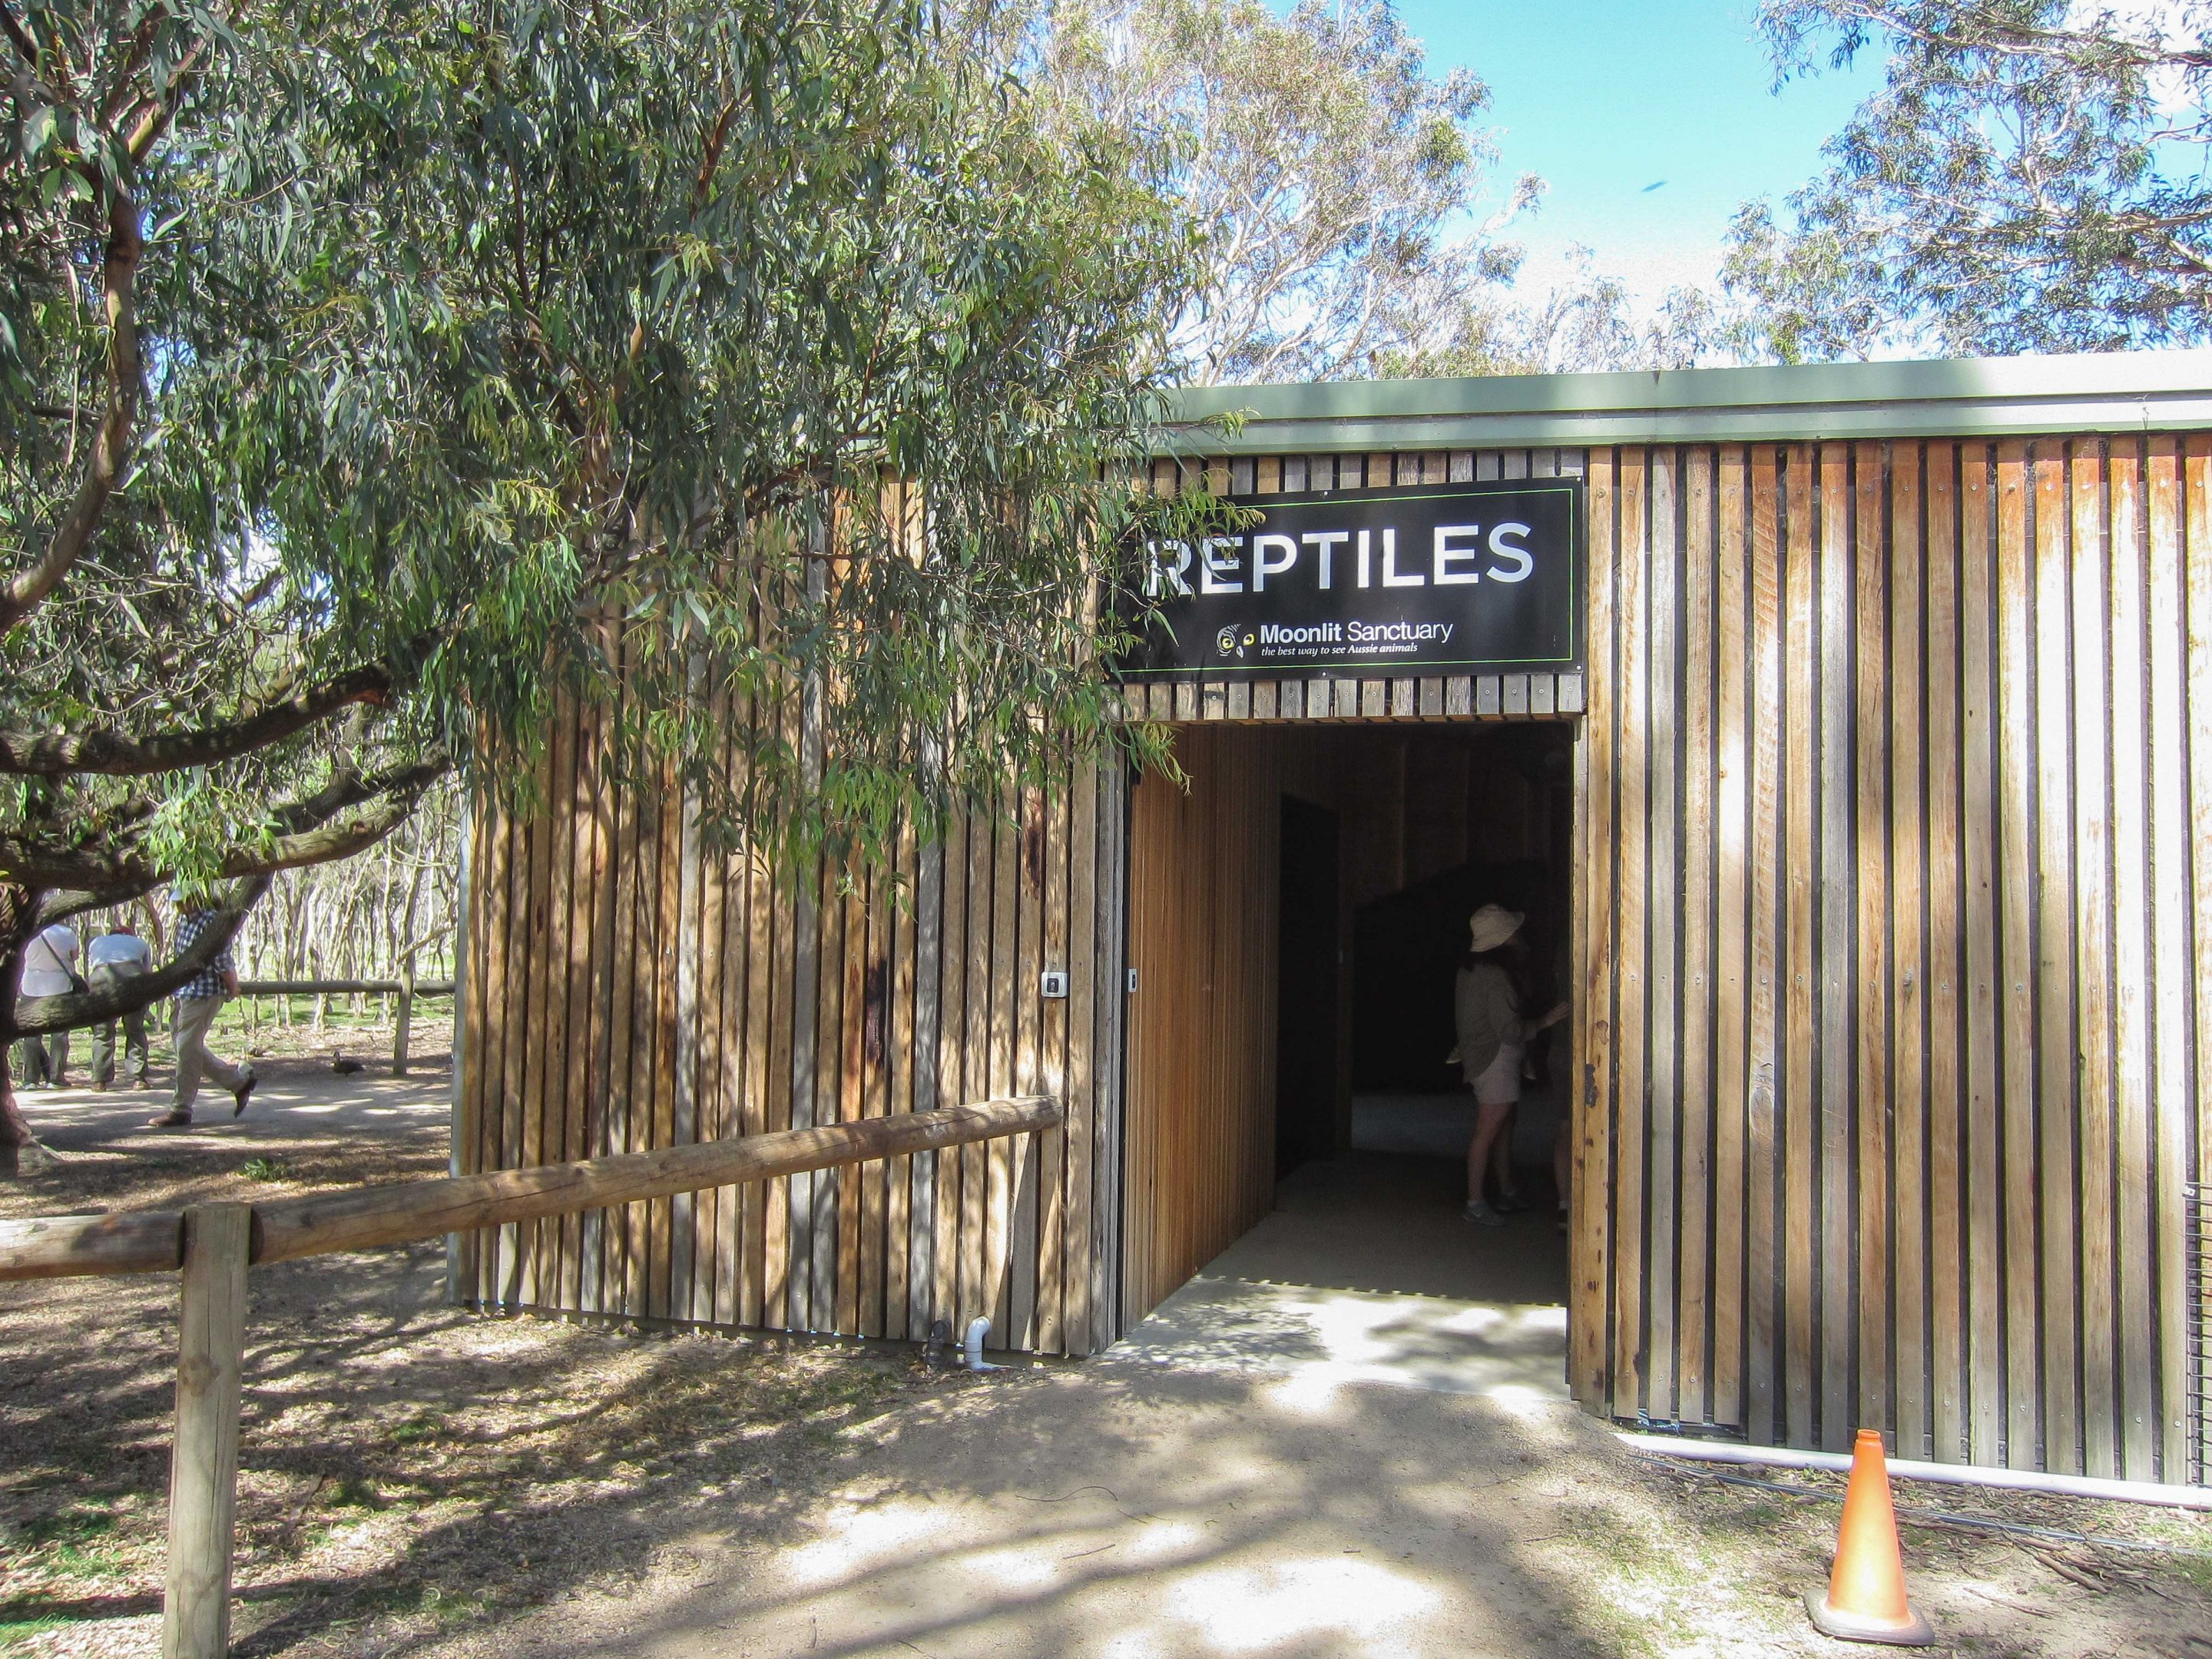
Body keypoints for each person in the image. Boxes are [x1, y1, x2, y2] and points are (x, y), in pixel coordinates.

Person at [1454, 904, 1566, 1227]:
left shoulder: (1470, 970)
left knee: (1501, 1126)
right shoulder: (1497, 977)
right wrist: (1545, 1021)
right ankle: (1475, 1202)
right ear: (1505, 939)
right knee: (1487, 1131)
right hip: (1495, 1059)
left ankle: (1505, 1191)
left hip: (1484, 1057)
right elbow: (1510, 1030)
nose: (1520, 935)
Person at [151, 896, 256, 1128]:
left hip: (203, 993)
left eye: (185, 899)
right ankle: (238, 1084)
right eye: (178, 901)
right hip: (185, 992)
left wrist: (233, 987)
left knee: (187, 1048)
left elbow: (221, 959)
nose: (180, 905)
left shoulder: (210, 920)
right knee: (187, 1047)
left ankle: (181, 1109)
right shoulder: (185, 920)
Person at [12, 921, 80, 1089]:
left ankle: (30, 1080)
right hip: (60, 985)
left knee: (31, 1034)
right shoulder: (66, 932)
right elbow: (74, 956)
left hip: (31, 986)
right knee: (60, 1034)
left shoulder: (26, 932)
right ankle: (56, 1078)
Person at [87, 922, 153, 1091]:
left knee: (103, 1032)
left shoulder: (96, 942)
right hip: (133, 976)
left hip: (101, 977)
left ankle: (99, 1081)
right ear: (129, 935)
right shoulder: (140, 943)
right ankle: (138, 1078)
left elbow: (93, 965)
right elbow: (148, 972)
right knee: (135, 1029)